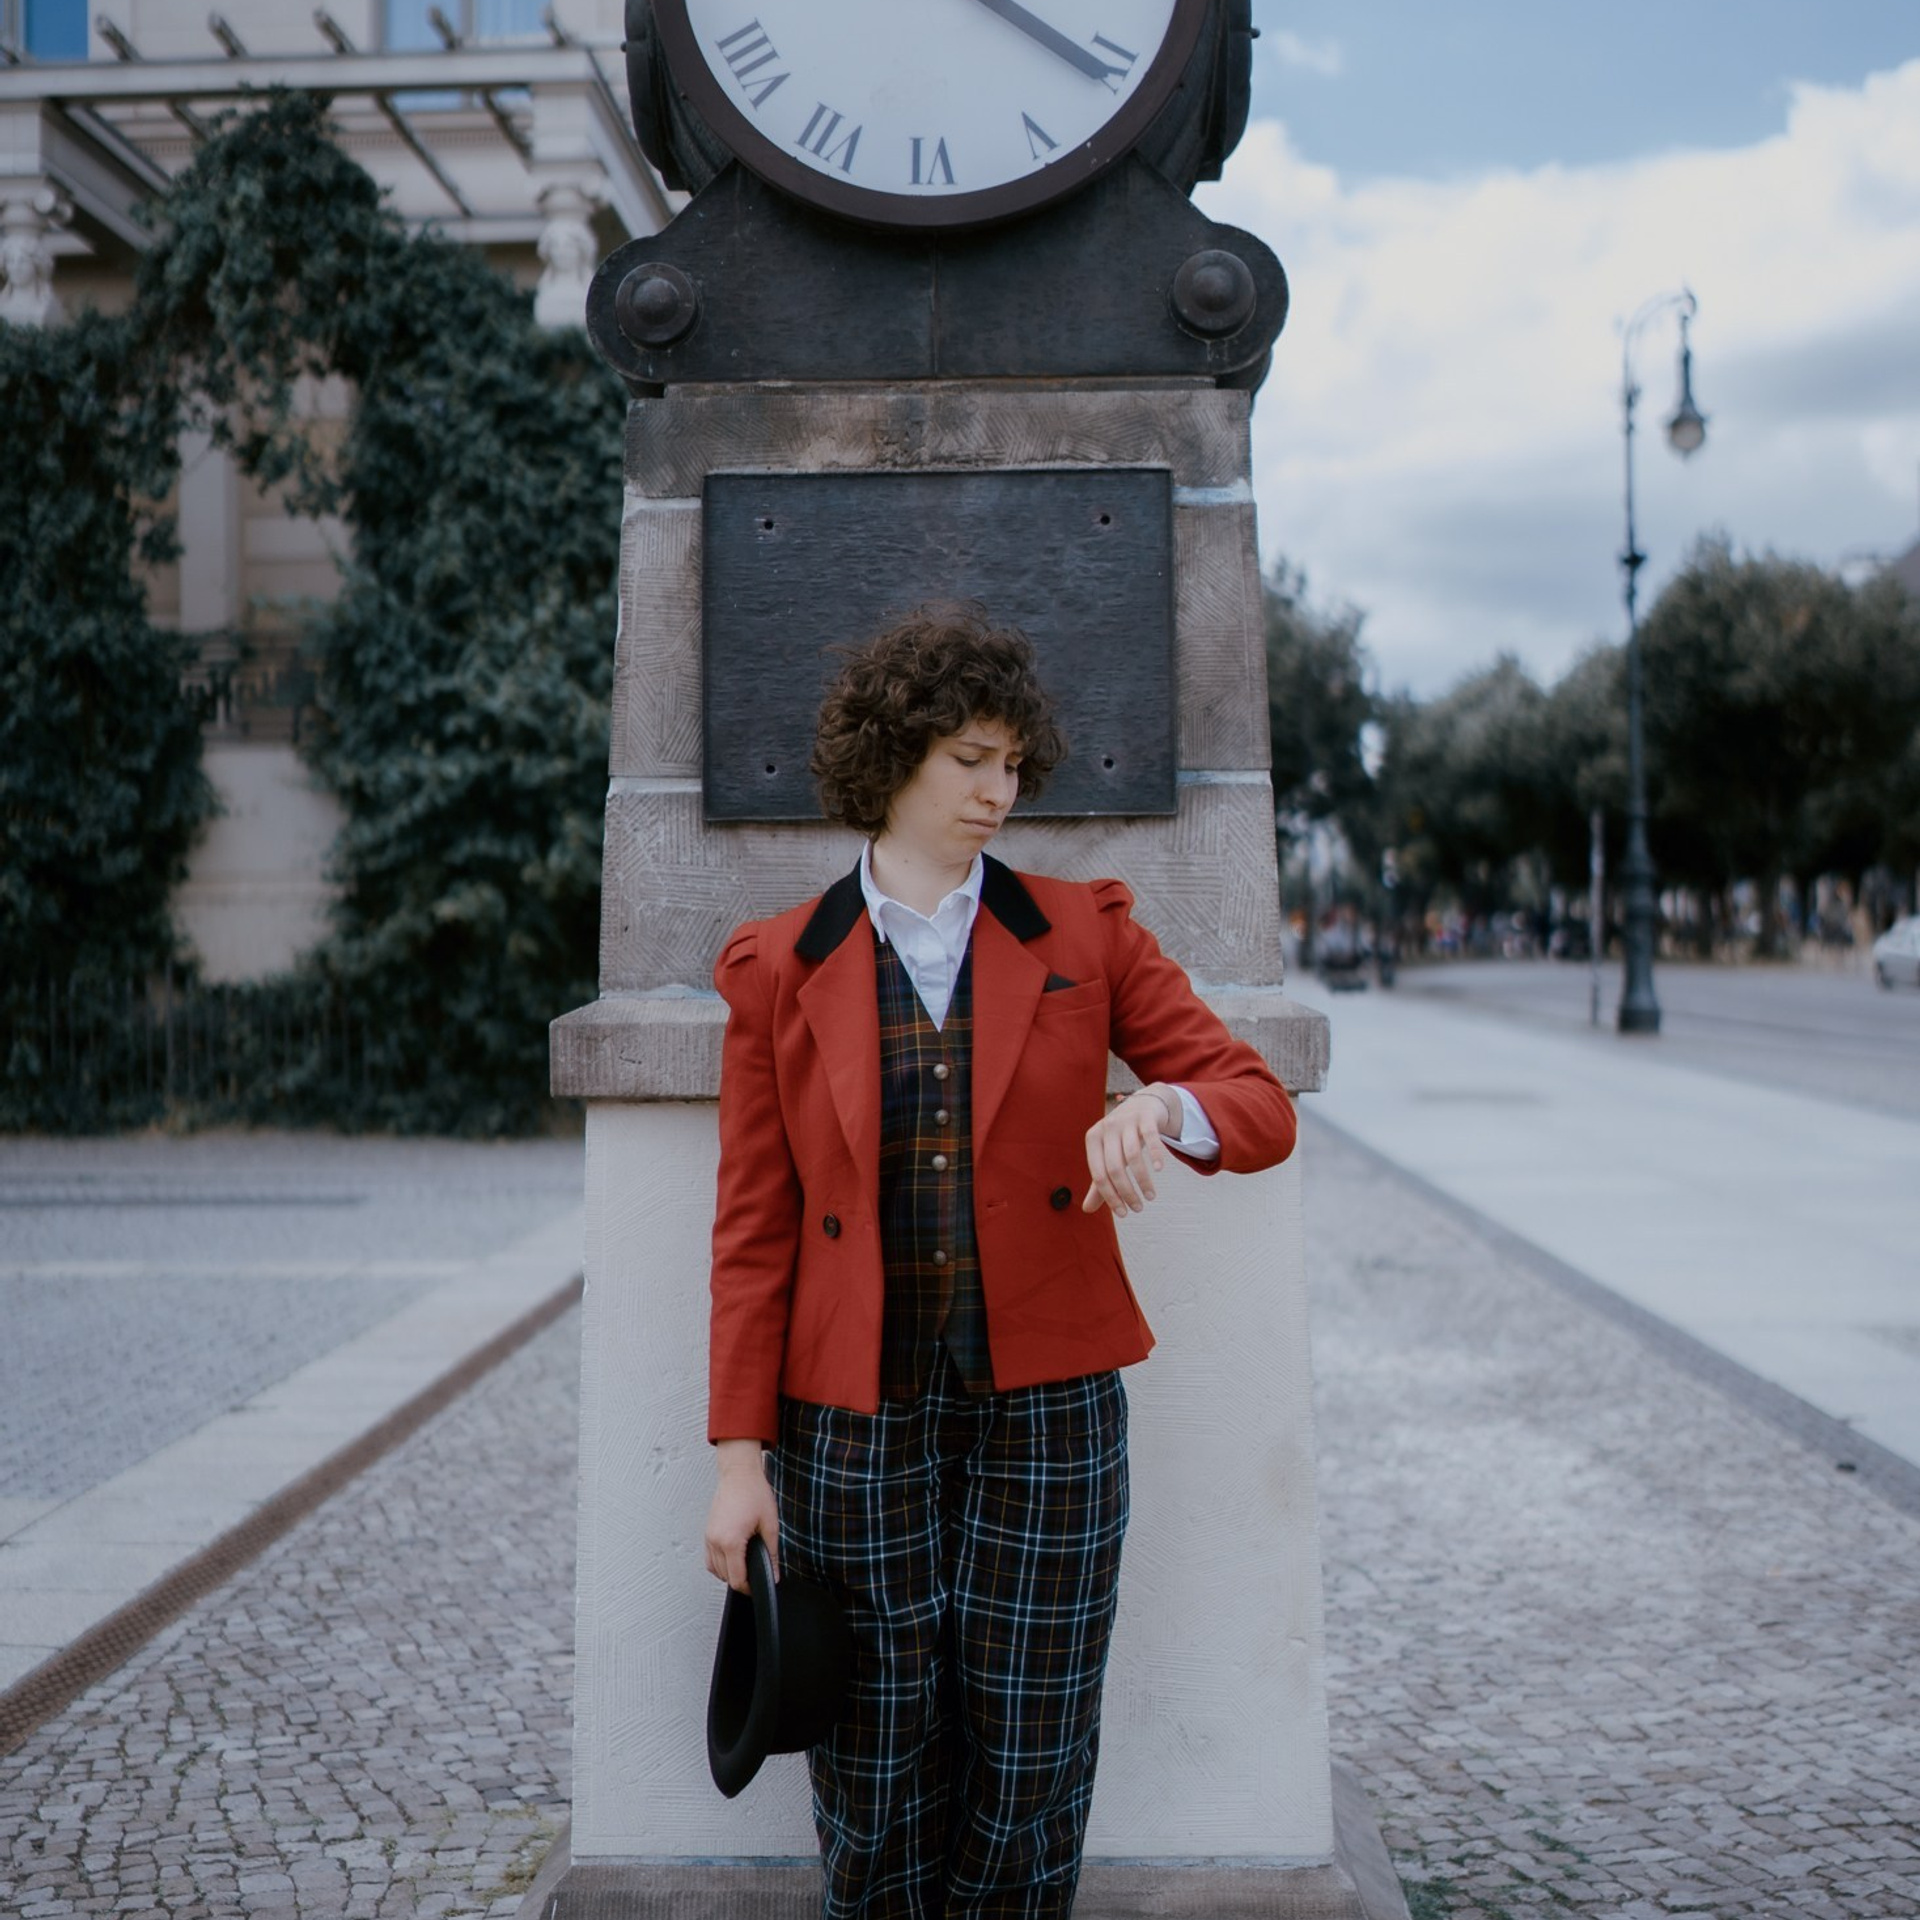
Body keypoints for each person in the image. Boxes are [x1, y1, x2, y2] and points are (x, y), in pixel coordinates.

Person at [702, 604, 1297, 1920]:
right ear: (895, 756)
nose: (999, 790)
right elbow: (753, 1231)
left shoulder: (1085, 934)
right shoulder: (777, 970)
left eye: (1014, 762)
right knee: (871, 1756)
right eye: (971, 757)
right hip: (848, 1427)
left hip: (1053, 1410)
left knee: (1032, 1756)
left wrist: (1164, 1109)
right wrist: (741, 1465)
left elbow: (1257, 1104)